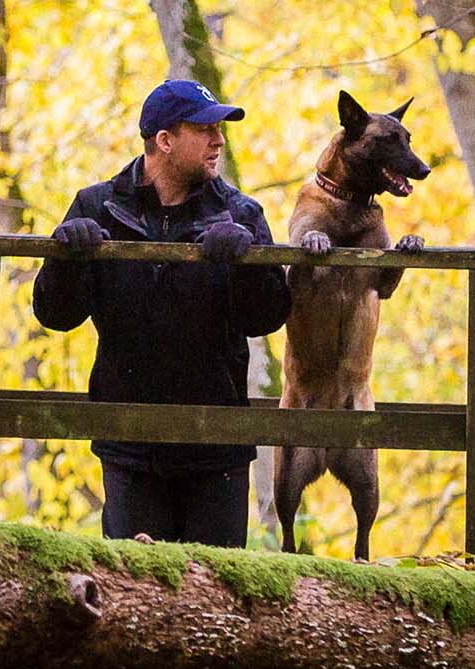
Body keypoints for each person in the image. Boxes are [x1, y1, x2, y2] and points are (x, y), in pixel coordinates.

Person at [30, 78, 293, 548]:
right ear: (164, 141)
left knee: (215, 593)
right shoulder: (98, 207)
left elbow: (268, 317)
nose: (218, 140)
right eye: (205, 129)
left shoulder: (241, 213)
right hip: (129, 442)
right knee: (134, 589)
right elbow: (55, 314)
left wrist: (246, 261)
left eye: (220, 129)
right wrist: (67, 259)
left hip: (218, 446)